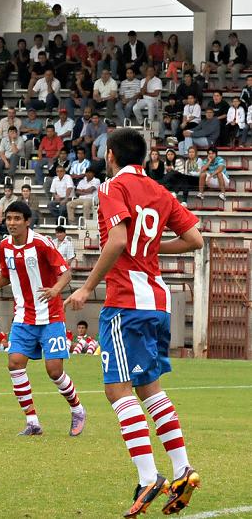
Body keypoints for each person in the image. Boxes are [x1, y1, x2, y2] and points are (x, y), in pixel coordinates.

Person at [63, 128, 203, 516]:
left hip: (126, 304)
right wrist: (155, 245)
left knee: (117, 392)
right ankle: (182, 468)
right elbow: (195, 240)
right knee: (150, 389)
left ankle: (147, 477)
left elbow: (120, 239)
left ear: (111, 156)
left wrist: (87, 287)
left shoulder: (112, 187)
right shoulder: (161, 192)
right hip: (158, 303)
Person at [0, 201, 86, 438]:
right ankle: (32, 421)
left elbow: (66, 273)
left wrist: (55, 290)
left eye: (17, 219)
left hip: (51, 316)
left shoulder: (41, 243)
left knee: (54, 371)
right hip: (23, 316)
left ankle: (78, 409)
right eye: (9, 219)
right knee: (15, 364)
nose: (11, 223)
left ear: (27, 221)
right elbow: (5, 277)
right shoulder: (4, 247)